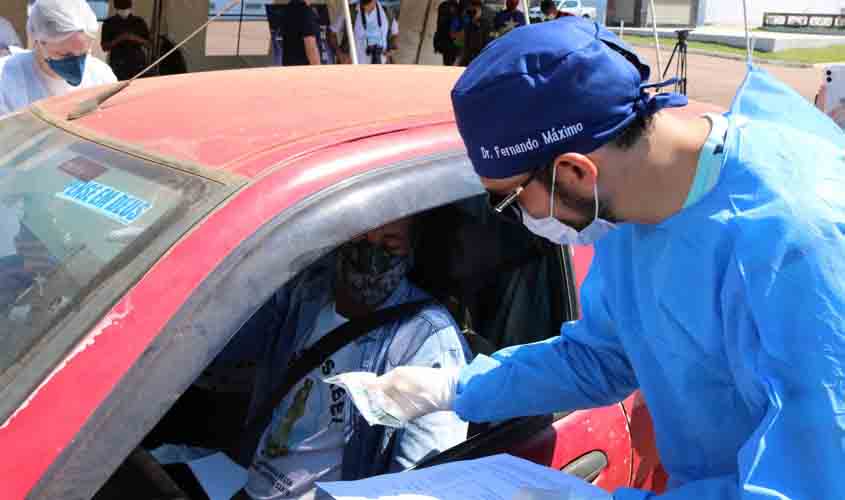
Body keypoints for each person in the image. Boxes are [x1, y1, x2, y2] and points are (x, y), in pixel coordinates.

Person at [343, 18, 845, 499]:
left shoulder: (798, 243)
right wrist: (453, 387)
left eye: (509, 200)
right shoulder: (627, 206)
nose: (516, 218)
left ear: (575, 172)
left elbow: (812, 485)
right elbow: (604, 356)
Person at [198, 218, 471, 499]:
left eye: (390, 244)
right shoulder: (306, 290)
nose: (370, 256)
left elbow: (423, 479)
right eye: (360, 238)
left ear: (412, 248)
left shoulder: (427, 340)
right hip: (250, 483)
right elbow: (221, 346)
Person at [0, 0, 117, 115]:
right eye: (65, 54)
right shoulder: (5, 80)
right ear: (38, 41)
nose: (77, 64)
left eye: (83, 53)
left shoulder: (100, 76)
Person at [328, 0, 398, 64]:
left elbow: (395, 34)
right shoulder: (349, 11)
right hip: (352, 66)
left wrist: (392, 48)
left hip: (380, 67)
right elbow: (331, 32)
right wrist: (340, 55)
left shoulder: (387, 12)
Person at [101, 0, 152, 81]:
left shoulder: (139, 22)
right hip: (118, 64)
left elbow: (149, 44)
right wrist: (119, 39)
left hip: (138, 64)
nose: (124, 11)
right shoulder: (109, 23)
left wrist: (134, 38)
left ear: (130, 7)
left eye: (125, 8)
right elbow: (104, 47)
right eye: (121, 9)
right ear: (116, 8)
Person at [457, 0, 491, 67]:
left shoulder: (485, 22)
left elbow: (486, 40)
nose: (472, 12)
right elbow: (465, 41)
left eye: (475, 10)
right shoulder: (468, 21)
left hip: (480, 54)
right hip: (468, 54)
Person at [434, 0, 460, 66]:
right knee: (450, 61)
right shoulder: (456, 7)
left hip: (446, 41)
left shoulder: (443, 5)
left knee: (448, 61)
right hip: (450, 41)